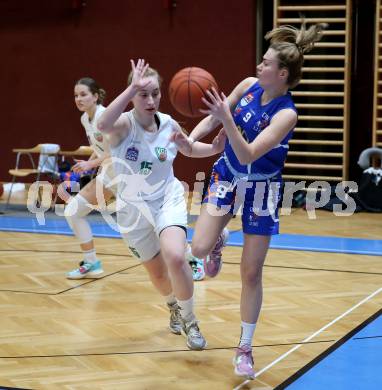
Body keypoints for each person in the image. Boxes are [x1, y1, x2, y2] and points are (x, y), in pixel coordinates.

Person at [174, 21, 327, 378]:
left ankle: (244, 348)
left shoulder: (287, 114)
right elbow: (214, 121)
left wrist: (227, 120)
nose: (259, 66)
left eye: (266, 62)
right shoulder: (246, 86)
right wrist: (188, 141)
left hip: (262, 188)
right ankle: (216, 243)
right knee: (196, 249)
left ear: (282, 73)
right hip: (227, 176)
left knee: (251, 272)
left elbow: (248, 154)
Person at [96, 59, 226, 350]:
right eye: (143, 94)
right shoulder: (121, 126)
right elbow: (101, 124)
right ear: (132, 96)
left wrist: (214, 148)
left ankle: (191, 321)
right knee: (157, 273)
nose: (151, 99)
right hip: (132, 210)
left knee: (176, 257)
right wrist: (132, 87)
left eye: (155, 93)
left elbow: (188, 148)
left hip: (167, 198)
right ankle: (174, 308)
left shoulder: (167, 123)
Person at [65, 78, 115, 279]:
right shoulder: (85, 119)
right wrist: (90, 161)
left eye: (83, 94)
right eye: (76, 95)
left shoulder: (106, 117)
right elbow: (100, 148)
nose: (79, 99)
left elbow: (116, 152)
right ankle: (91, 262)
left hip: (128, 176)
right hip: (110, 176)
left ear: (95, 96)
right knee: (73, 211)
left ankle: (191, 258)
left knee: (151, 224)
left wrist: (90, 164)